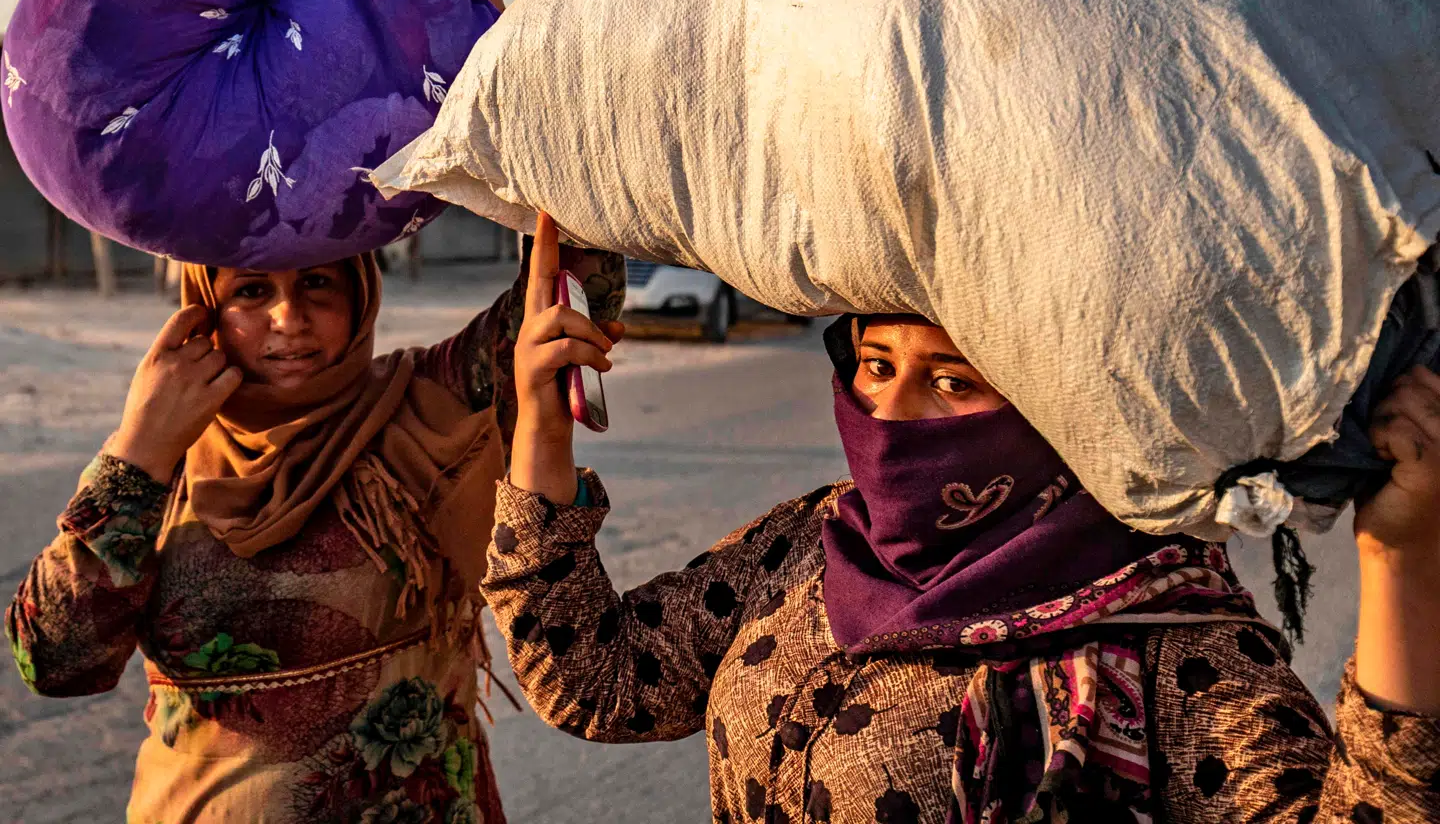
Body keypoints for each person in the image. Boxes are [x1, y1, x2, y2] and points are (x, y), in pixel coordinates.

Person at [482, 212, 1440, 823]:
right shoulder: (809, 543)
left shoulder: (1156, 632)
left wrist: (1403, 557)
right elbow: (595, 679)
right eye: (874, 366)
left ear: (1054, 405)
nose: (892, 415)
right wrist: (542, 426)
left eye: (953, 381)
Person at [5, 229, 621, 824]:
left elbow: (568, 282)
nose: (288, 317)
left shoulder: (424, 404)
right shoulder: (158, 458)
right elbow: (54, 662)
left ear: (359, 292)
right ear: (203, 312)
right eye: (251, 291)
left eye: (318, 282)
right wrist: (139, 450)